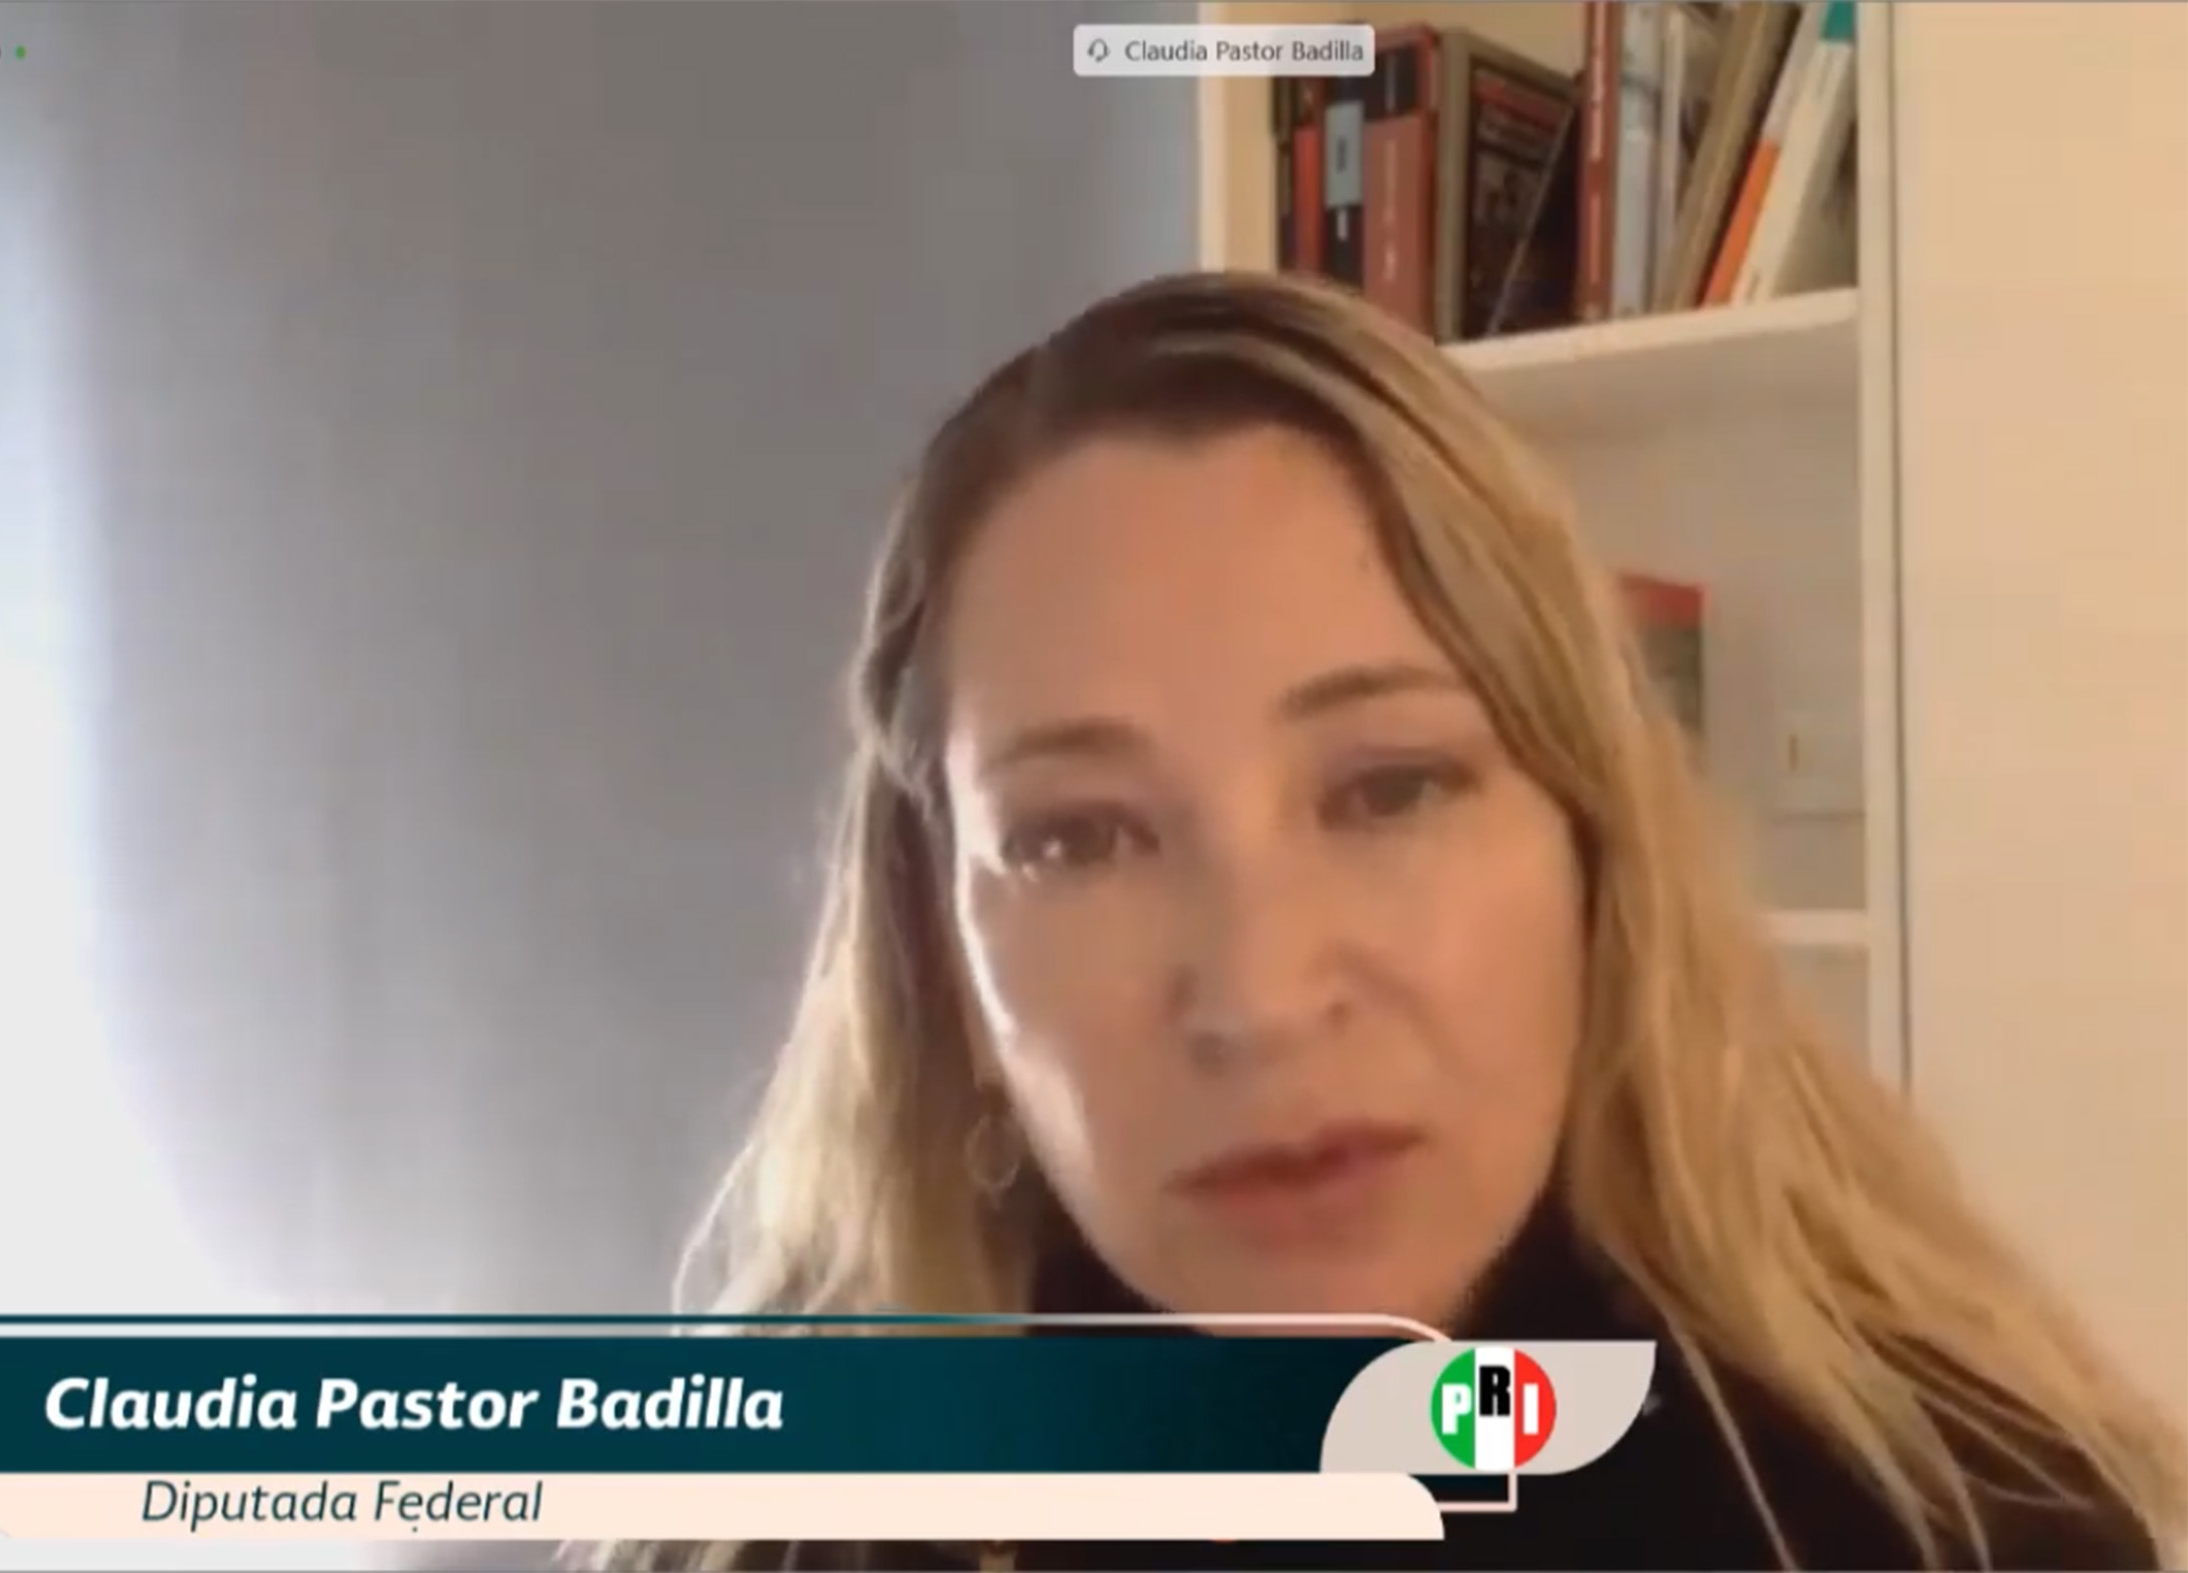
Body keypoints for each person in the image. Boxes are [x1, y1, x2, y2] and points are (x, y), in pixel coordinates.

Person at [595, 272, 2184, 1571]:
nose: (1261, 994)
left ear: (1593, 856)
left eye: (1388, 788)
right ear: (940, 958)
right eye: (1078, 835)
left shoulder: (1956, 1533)